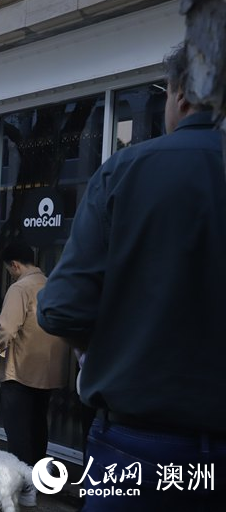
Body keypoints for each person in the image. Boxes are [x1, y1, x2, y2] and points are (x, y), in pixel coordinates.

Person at [37, 44, 226, 510]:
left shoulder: (123, 172)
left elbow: (60, 307)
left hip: (137, 447)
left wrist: (110, 345)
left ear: (182, 95)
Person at [0, 242, 67, 508]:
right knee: (38, 429)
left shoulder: (20, 288)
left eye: (10, 270)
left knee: (18, 432)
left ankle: (24, 488)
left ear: (15, 265)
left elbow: (6, 330)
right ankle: (37, 483)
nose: (11, 274)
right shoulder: (53, 284)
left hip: (20, 371)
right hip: (49, 371)